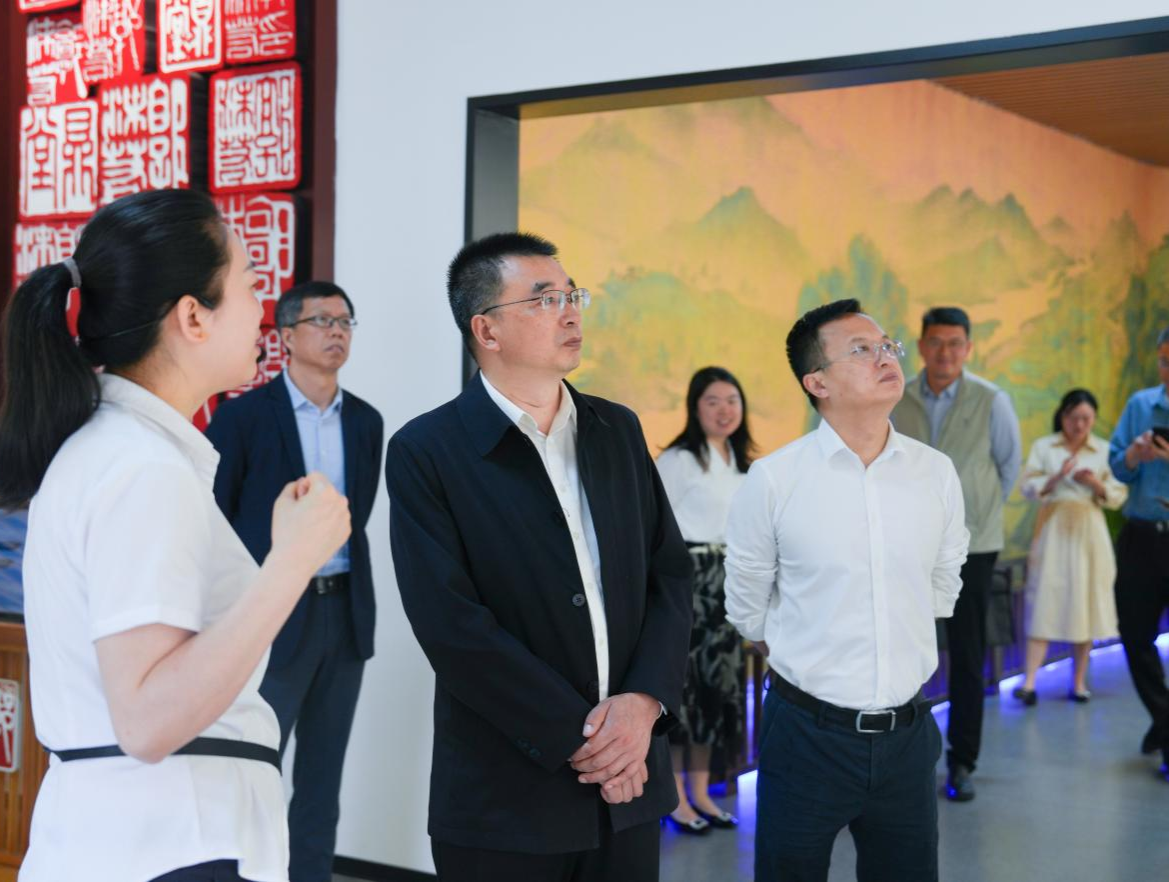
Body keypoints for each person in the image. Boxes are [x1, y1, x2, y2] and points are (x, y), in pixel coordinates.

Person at [0, 189, 350, 882]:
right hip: (174, 842)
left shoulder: (121, 452)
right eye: (249, 286)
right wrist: (292, 563)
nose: (261, 311)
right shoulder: (141, 467)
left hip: (157, 838)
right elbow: (148, 719)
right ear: (192, 316)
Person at [385, 232, 693, 882]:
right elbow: (451, 626)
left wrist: (643, 704)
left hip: (631, 789)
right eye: (544, 299)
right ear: (486, 330)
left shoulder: (617, 429)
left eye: (572, 296)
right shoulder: (428, 450)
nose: (570, 312)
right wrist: (591, 741)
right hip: (506, 799)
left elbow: (669, 575)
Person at [726, 298, 968, 882]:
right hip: (806, 735)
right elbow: (747, 606)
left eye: (887, 346)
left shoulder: (935, 472)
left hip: (908, 735)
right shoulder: (775, 479)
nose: (885, 357)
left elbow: (942, 585)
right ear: (817, 382)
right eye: (861, 350)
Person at [206, 281, 384, 881]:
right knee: (255, 768)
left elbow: (358, 516)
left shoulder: (366, 421)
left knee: (321, 781)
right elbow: (216, 519)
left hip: (344, 614)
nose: (337, 332)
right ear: (285, 336)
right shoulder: (242, 417)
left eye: (345, 322)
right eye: (322, 321)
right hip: (270, 617)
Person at [890, 306, 1020, 802]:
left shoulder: (992, 401)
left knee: (967, 654)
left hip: (973, 548)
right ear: (922, 346)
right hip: (906, 545)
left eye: (955, 343)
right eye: (936, 342)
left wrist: (971, 516)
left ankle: (962, 759)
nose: (945, 352)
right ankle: (901, 756)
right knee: (902, 649)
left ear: (968, 348)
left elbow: (1007, 467)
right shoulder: (897, 398)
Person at [655, 366, 753, 835]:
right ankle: (675, 799)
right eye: (712, 401)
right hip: (689, 584)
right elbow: (653, 528)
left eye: (732, 400)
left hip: (729, 586)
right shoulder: (678, 460)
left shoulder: (743, 463)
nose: (724, 410)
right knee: (687, 692)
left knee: (719, 692)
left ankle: (702, 793)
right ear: (695, 408)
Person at [1013, 389, 1127, 704]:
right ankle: (1030, 682)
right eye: (1074, 417)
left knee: (1085, 603)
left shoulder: (1103, 450)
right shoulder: (1045, 447)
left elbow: (1118, 495)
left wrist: (1095, 484)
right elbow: (1027, 487)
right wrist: (1057, 477)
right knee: (1044, 600)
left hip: (1090, 533)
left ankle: (1078, 683)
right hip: (1053, 529)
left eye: (1086, 419)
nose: (1079, 425)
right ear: (1063, 416)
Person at [1109, 327, 1169, 778]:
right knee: (1133, 635)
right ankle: (1165, 718)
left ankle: (1165, 728)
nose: (1168, 369)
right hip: (1141, 536)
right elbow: (1116, 466)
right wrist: (1133, 455)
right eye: (1164, 360)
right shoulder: (1140, 405)